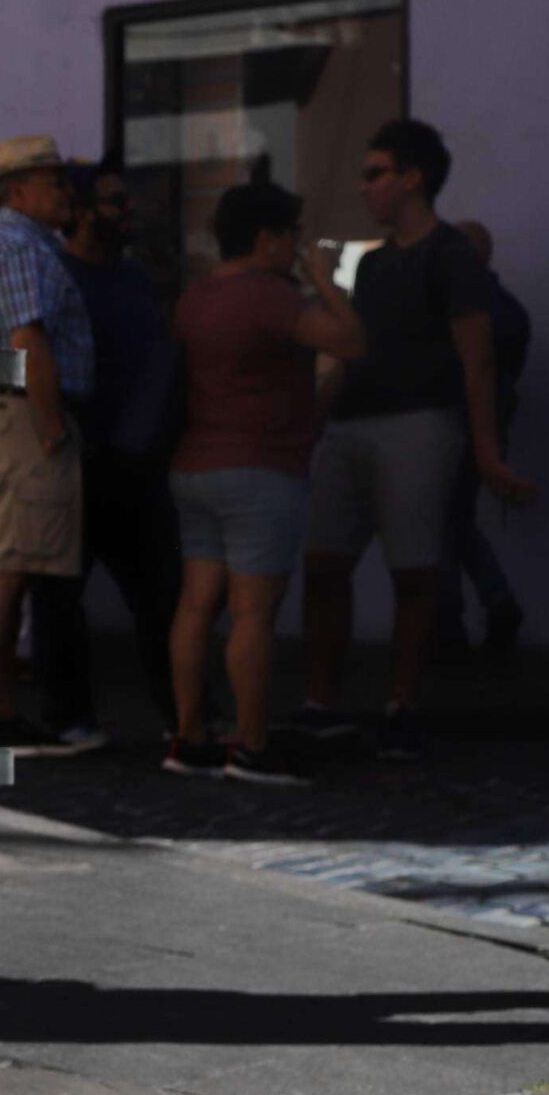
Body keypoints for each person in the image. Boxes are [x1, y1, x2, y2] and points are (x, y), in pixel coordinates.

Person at [288, 119, 534, 759]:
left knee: (415, 572)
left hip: (420, 421)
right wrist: (313, 424)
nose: (363, 186)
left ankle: (402, 706)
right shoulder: (373, 264)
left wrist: (486, 452)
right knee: (323, 565)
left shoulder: (450, 254)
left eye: (375, 173)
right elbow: (349, 355)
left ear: (412, 178)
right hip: (352, 424)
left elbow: (477, 359)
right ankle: (321, 703)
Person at [163, 181, 364, 785]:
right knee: (253, 613)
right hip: (259, 470)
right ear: (267, 237)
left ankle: (189, 738)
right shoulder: (270, 296)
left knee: (196, 604)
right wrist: (326, 280)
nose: (298, 246)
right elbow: (352, 342)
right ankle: (252, 746)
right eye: (292, 235)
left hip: (195, 465)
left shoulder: (196, 296)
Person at [32, 157, 181, 748]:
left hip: (136, 464)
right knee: (58, 596)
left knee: (162, 596)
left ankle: (184, 713)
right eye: (115, 202)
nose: (128, 212)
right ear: (82, 211)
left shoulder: (136, 279)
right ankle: (67, 716)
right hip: (75, 458)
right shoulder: (57, 277)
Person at [0, 135, 91, 756]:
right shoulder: (19, 247)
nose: (65, 193)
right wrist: (51, 424)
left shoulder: (11, 245)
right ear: (19, 191)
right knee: (7, 566)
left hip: (3, 413)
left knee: (8, 564)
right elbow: (28, 340)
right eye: (53, 181)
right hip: (20, 414)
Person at [436, 220, 531, 649]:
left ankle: (451, 624)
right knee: (456, 521)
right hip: (484, 429)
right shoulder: (510, 310)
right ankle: (494, 602)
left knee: (445, 522)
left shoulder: (462, 310)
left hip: (455, 426)